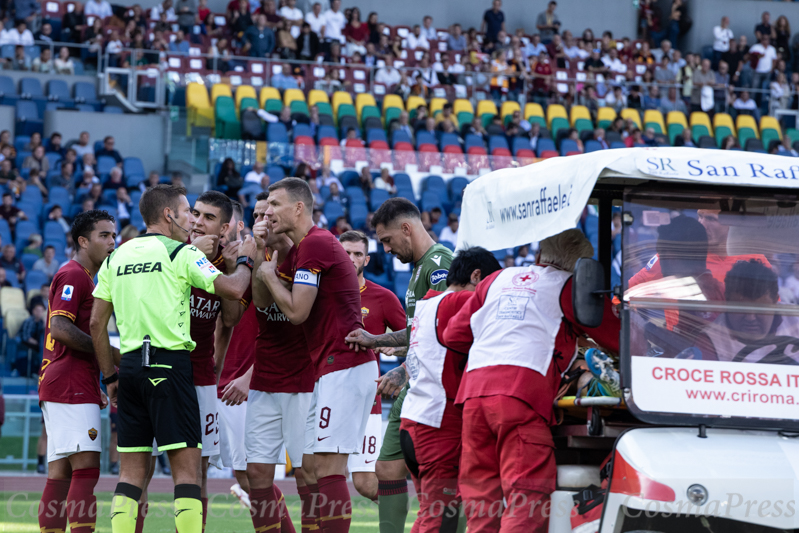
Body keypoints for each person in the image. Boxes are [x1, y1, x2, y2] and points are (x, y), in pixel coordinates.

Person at [89, 185, 256, 533]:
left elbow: (95, 324)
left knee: (131, 473)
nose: (191, 219)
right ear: (168, 215)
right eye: (186, 212)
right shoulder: (181, 253)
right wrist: (245, 261)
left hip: (132, 367)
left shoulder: (116, 256)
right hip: (171, 365)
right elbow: (235, 290)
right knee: (187, 473)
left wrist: (109, 377)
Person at [443, 229, 620, 531]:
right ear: (579, 266)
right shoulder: (570, 287)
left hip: (474, 395)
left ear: (539, 255)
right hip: (522, 395)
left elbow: (453, 335)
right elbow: (618, 337)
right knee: (527, 496)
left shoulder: (495, 279)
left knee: (481, 501)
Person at [256, 178, 378, 532]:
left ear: (298, 208)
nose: (269, 212)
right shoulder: (302, 250)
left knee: (327, 468)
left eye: (275, 205)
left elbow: (296, 312)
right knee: (316, 467)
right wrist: (263, 255)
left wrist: (268, 275)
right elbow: (267, 305)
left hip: (344, 365)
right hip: (333, 369)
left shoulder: (316, 244)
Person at [344, 197, 453, 533]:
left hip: (435, 388)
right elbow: (417, 331)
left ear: (406, 229)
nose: (386, 250)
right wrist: (375, 340)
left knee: (441, 477)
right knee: (387, 469)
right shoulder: (419, 268)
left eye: (387, 240)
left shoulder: (440, 264)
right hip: (416, 385)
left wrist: (403, 369)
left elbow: (442, 330)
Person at [400, 247, 501, 532]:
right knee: (440, 518)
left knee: (430, 515)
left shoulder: (428, 303)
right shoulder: (461, 301)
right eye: (488, 287)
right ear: (476, 276)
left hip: (414, 421)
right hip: (438, 426)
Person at [37, 210, 118, 533]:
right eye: (104, 236)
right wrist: (110, 356)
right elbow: (60, 328)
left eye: (113, 235)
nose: (112, 242)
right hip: (68, 381)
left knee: (59, 474)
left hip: (67, 381)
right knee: (86, 470)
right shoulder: (74, 275)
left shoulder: (83, 276)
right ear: (83, 241)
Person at [247, 192, 315, 530]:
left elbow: (297, 315)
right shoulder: (260, 255)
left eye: (268, 213)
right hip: (265, 378)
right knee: (256, 472)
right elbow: (260, 303)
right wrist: (260, 253)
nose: (262, 221)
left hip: (303, 380)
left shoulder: (307, 254)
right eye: (257, 215)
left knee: (306, 472)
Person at [339, 231, 406, 501]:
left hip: (366, 400)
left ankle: (413, 524)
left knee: (366, 483)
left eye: (357, 254)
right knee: (312, 474)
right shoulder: (316, 293)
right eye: (345, 253)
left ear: (366, 259)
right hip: (319, 395)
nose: (351, 259)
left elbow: (416, 338)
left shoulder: (383, 297)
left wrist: (393, 346)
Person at [211, 203, 258, 508]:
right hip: (205, 381)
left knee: (250, 475)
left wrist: (250, 374)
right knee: (196, 470)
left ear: (239, 227)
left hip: (242, 385)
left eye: (223, 224)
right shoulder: (198, 260)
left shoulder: (259, 263)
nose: (218, 230)